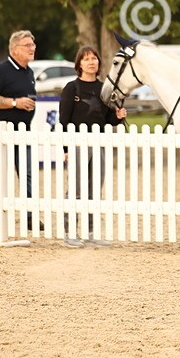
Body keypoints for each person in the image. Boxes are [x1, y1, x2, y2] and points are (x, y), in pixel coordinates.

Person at [0, 30, 42, 239]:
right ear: (14, 49)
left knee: (28, 174)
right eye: (27, 45)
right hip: (0, 134)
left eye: (33, 44)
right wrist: (15, 103)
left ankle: (29, 215)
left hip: (23, 133)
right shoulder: (1, 70)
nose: (32, 48)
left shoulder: (28, 72)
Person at [59, 46, 127, 247]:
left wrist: (118, 118)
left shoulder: (104, 88)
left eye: (94, 58)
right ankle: (69, 233)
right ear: (79, 64)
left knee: (94, 190)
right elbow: (64, 122)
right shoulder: (72, 88)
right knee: (76, 190)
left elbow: (107, 121)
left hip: (100, 144)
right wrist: (66, 150)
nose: (91, 62)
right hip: (78, 144)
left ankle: (91, 232)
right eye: (87, 59)